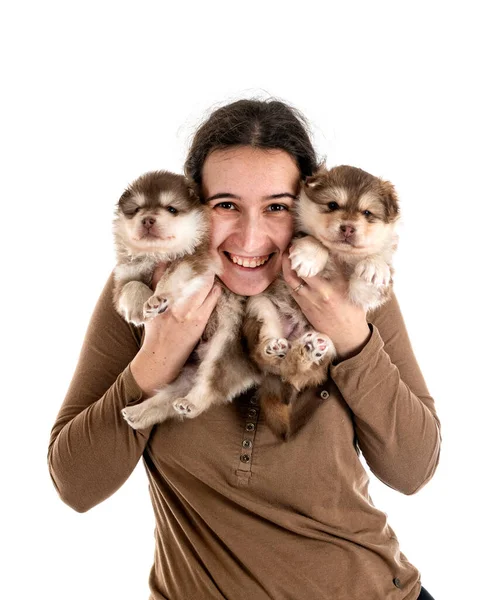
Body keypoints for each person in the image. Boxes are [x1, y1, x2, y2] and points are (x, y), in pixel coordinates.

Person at [47, 99, 440, 600]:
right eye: (226, 205)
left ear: (305, 208)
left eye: (276, 207)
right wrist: (158, 356)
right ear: (193, 206)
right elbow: (75, 485)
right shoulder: (151, 292)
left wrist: (351, 339)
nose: (251, 236)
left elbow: (413, 469)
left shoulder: (345, 286)